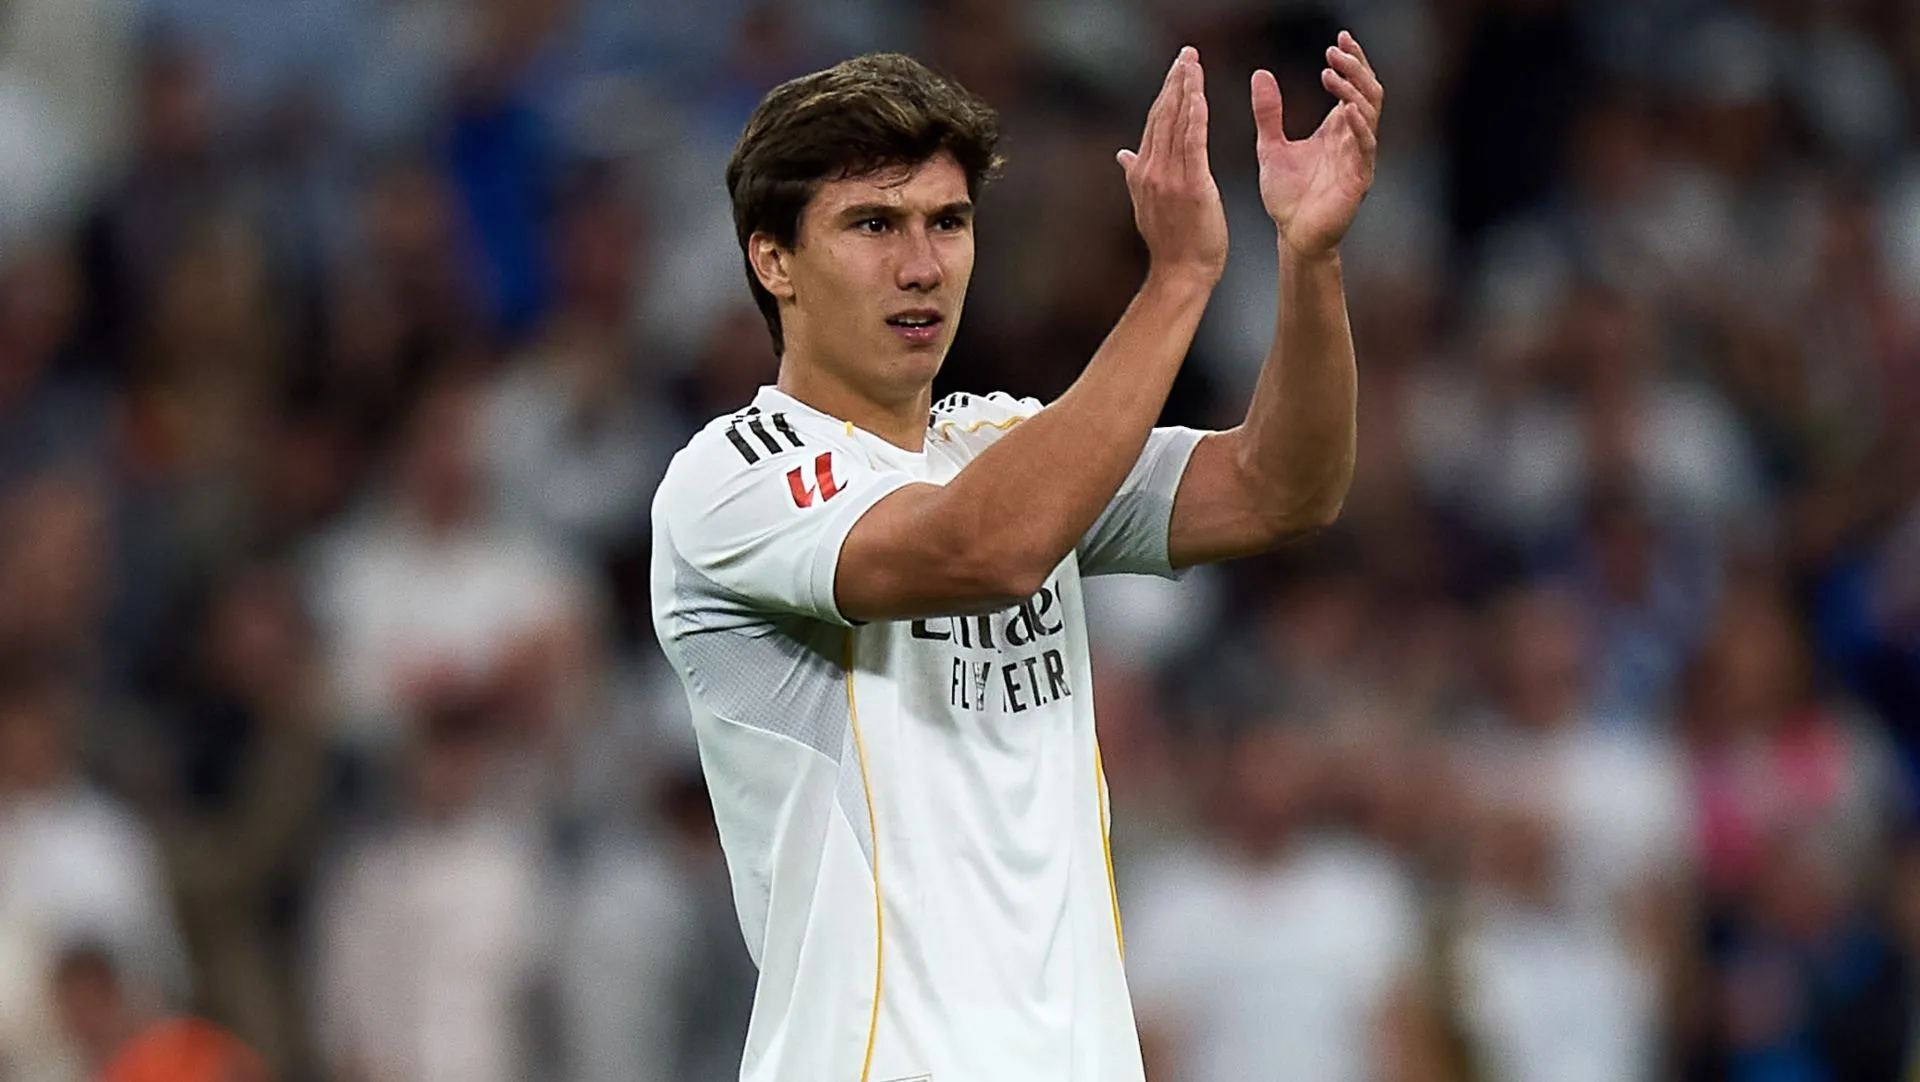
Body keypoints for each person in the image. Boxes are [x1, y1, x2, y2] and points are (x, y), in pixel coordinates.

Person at [649, 37, 1383, 1082]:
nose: (922, 264)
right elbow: (988, 546)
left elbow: (1281, 487)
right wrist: (1177, 280)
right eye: (873, 224)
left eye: (947, 222)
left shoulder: (1005, 444)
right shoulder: (732, 476)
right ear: (773, 259)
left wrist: (1310, 260)